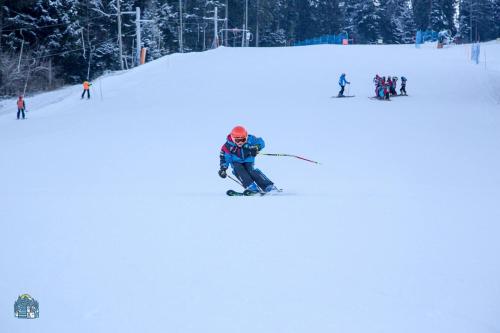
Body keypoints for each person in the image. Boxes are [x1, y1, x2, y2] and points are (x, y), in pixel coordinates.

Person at [219, 126, 278, 194]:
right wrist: (223, 168)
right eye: (237, 140)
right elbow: (224, 157)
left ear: (246, 137)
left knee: (252, 171)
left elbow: (261, 142)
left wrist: (256, 147)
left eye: (243, 140)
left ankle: (268, 186)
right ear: (232, 138)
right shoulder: (227, 146)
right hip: (236, 161)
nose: (240, 142)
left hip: (248, 160)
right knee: (239, 170)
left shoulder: (250, 139)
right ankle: (251, 187)